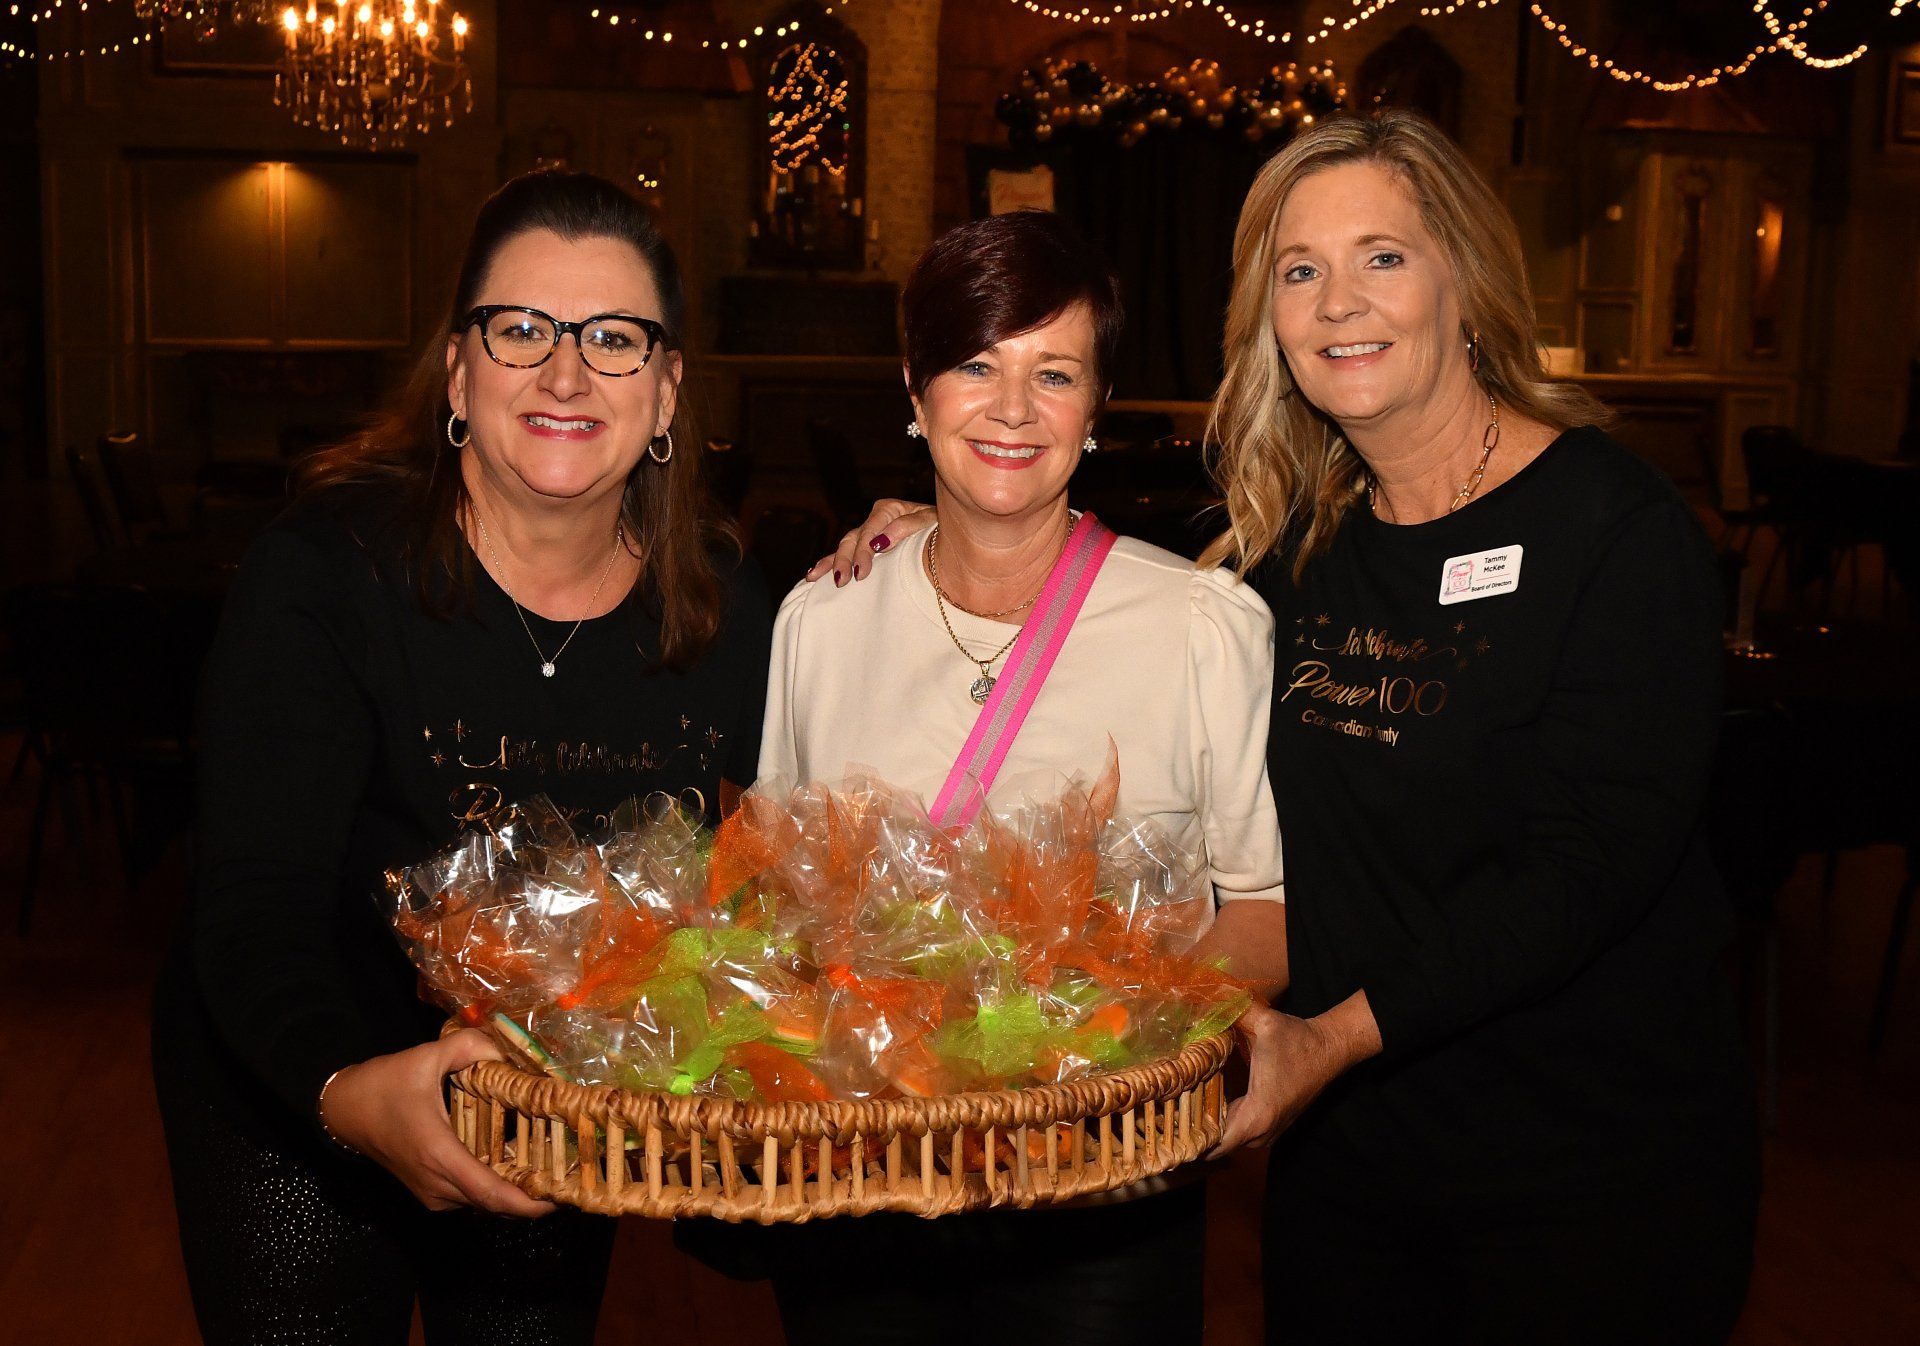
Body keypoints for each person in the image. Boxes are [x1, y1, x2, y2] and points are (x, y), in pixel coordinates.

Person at [819, 111, 1757, 1345]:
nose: (1337, 302)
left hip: (1583, 1166)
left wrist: (1333, 1035)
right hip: (1352, 1168)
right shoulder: (1290, 552)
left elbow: (1589, 869)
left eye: (1383, 256)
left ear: (1464, 279)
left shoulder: (1612, 528)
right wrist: (936, 521)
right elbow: (1097, 591)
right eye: (1299, 270)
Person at [149, 171, 770, 1345]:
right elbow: (252, 901)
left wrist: (914, 548)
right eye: (522, 328)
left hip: (546, 1095)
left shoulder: (729, 608)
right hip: (296, 1071)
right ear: (457, 369)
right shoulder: (326, 574)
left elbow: (795, 871)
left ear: (670, 386)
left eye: (616, 338)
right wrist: (348, 1087)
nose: (567, 373)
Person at [755, 209, 1288, 1346]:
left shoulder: (1200, 625)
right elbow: (770, 903)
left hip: (1100, 1194)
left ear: (1095, 408)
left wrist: (1085, 1042)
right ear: (915, 386)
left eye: (1054, 373)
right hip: (859, 1182)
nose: (1010, 409)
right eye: (974, 365)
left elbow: (1267, 919)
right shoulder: (820, 620)